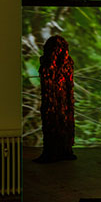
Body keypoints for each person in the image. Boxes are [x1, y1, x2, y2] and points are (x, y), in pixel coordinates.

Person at [34, 35, 77, 163]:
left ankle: (55, 152)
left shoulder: (48, 63)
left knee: (52, 124)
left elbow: (47, 83)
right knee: (63, 124)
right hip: (64, 104)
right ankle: (64, 151)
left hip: (53, 103)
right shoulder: (67, 63)